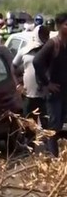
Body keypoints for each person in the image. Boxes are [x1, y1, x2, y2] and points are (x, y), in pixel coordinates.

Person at [34, 13, 67, 157]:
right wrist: (47, 84)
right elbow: (37, 62)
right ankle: (54, 158)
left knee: (62, 128)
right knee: (53, 129)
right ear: (59, 26)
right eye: (66, 24)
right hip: (55, 95)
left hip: (66, 93)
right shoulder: (53, 44)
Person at [13, 25, 50, 121]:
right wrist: (18, 85)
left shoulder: (49, 51)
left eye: (47, 34)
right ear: (37, 35)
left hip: (45, 95)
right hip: (28, 95)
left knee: (46, 126)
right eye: (42, 34)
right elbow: (13, 67)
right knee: (28, 124)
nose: (45, 37)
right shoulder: (24, 51)